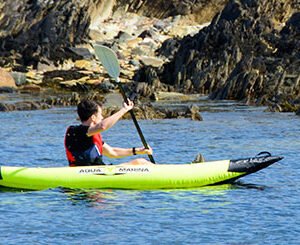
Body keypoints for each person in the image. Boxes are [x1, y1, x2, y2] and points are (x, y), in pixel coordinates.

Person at [65, 99, 153, 166]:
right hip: (90, 173)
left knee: (139, 162)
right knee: (141, 162)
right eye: (100, 114)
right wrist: (124, 110)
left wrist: (137, 151)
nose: (102, 117)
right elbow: (103, 126)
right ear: (93, 117)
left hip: (97, 171)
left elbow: (112, 152)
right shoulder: (77, 131)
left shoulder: (90, 136)